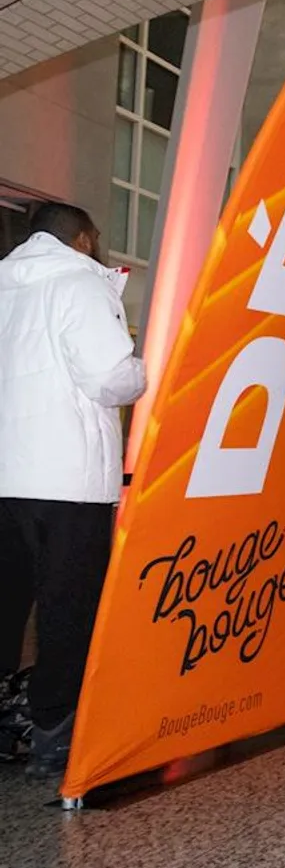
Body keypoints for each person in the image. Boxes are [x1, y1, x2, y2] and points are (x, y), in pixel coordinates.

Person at [0, 202, 147, 781]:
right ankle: (53, 731)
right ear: (82, 239)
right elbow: (110, 376)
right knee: (67, 608)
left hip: (6, 479)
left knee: (8, 603)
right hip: (68, 482)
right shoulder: (78, 284)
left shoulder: (6, 285)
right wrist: (142, 368)